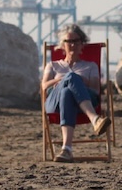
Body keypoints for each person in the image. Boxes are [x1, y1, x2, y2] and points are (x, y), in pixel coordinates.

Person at [41, 23, 110, 162]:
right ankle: (95, 119)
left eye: (76, 41)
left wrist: (79, 81)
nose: (72, 45)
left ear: (82, 44)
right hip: (55, 104)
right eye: (69, 41)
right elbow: (44, 86)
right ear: (62, 44)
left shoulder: (91, 66)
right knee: (70, 77)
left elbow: (96, 90)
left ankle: (66, 149)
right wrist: (62, 80)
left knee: (67, 92)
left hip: (84, 102)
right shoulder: (53, 65)